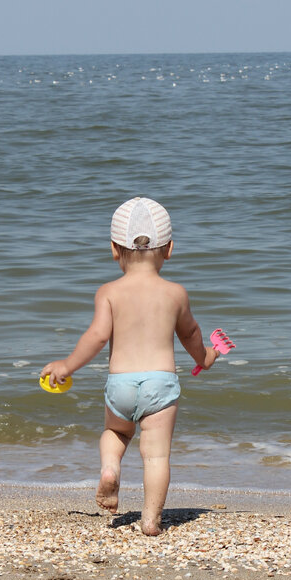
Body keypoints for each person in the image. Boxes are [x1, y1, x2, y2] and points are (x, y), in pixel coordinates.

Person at [41, 197, 218, 535]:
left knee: (116, 432)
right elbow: (191, 334)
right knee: (156, 456)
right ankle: (151, 521)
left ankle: (110, 470)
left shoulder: (108, 292)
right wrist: (205, 358)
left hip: (121, 384)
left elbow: (96, 337)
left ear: (113, 249)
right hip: (160, 384)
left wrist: (67, 365)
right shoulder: (175, 293)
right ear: (169, 250)